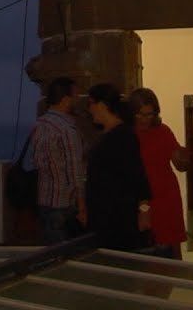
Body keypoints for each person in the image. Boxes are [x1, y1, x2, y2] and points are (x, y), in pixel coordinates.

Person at [84, 83, 152, 251]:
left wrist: (144, 211)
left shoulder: (123, 136)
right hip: (105, 215)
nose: (89, 109)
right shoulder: (112, 136)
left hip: (116, 217)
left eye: (91, 104)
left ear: (101, 105)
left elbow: (138, 177)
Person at [130, 87, 191, 258]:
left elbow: (180, 165)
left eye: (149, 114)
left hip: (165, 196)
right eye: (140, 114)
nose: (145, 119)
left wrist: (184, 157)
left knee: (169, 250)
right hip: (141, 198)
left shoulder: (163, 131)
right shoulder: (127, 134)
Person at [31, 77, 86, 245]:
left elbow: (36, 161)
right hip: (64, 203)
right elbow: (75, 170)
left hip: (44, 199)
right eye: (75, 96)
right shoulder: (67, 130)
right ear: (65, 99)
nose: (77, 100)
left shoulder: (40, 125)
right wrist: (82, 205)